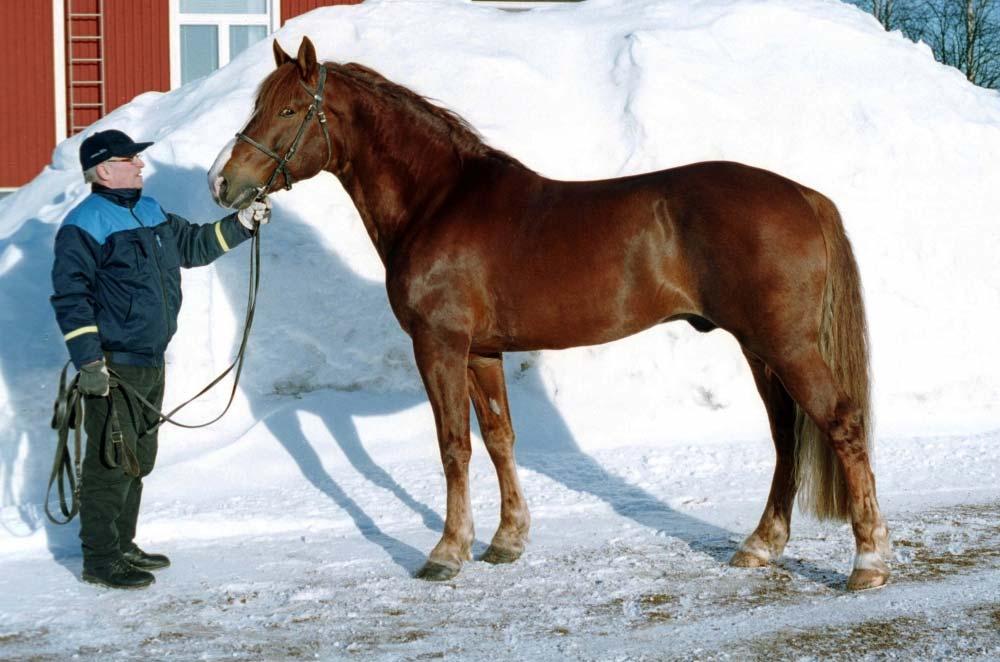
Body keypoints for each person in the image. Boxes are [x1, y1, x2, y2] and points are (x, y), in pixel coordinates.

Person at [50, 129, 270, 589]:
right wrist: (90, 363)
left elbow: (192, 244)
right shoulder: (83, 225)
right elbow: (72, 298)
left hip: (151, 360)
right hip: (113, 366)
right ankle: (100, 558)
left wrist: (243, 224)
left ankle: (122, 543)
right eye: (131, 159)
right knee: (110, 461)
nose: (141, 165)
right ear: (105, 170)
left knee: (138, 457)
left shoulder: (149, 211)